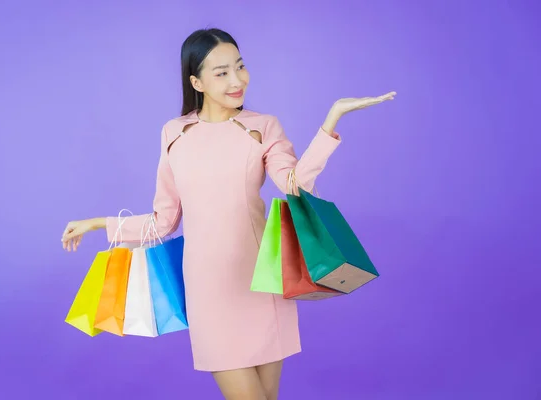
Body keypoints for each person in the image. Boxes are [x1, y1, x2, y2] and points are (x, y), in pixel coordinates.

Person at [61, 27, 395, 400]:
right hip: (209, 292)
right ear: (196, 82)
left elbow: (294, 186)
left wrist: (330, 121)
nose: (237, 80)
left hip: (262, 282)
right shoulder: (175, 133)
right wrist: (98, 224)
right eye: (221, 73)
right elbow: (163, 221)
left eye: (240, 67)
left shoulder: (262, 126)